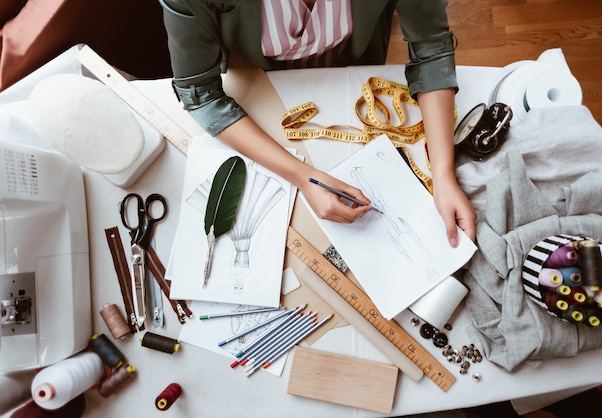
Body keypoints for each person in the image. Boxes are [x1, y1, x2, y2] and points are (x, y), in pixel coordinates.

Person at [159, 0, 476, 247]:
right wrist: (303, 176)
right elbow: (201, 95)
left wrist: (444, 176)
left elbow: (431, 49)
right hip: (260, 81)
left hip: (351, 64)